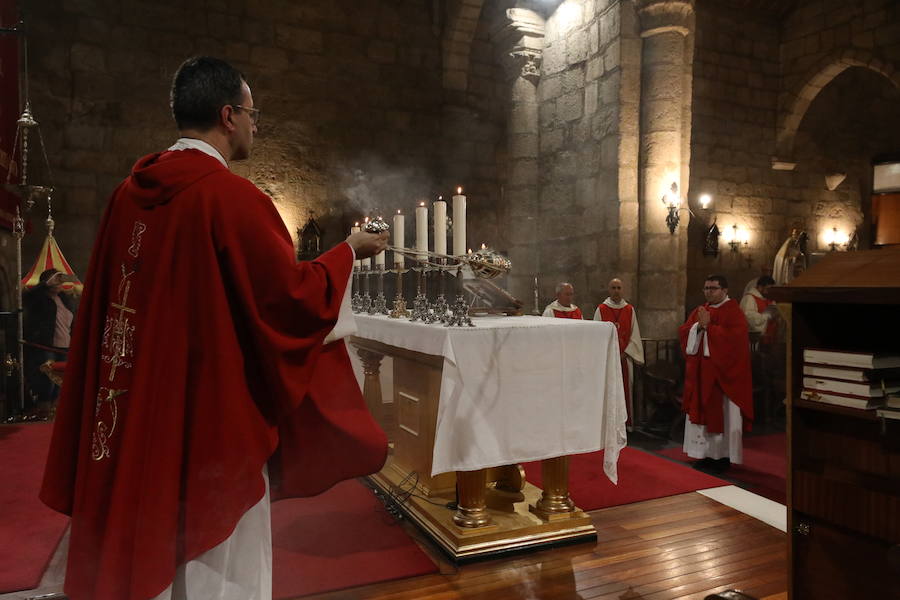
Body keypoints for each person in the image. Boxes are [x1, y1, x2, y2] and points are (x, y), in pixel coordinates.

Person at [40, 56, 389, 600]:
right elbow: (290, 301)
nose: (256, 124)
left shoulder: (126, 195)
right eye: (253, 113)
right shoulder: (233, 199)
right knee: (210, 563)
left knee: (139, 528)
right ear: (228, 115)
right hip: (205, 416)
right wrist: (349, 252)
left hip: (132, 408)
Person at [679, 274, 753, 473]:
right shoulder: (701, 310)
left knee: (723, 416)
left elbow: (735, 342)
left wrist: (708, 328)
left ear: (725, 290)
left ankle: (721, 457)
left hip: (723, 379)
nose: (708, 292)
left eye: (713, 288)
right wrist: (698, 327)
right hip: (702, 375)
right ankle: (704, 455)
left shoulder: (733, 312)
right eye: (706, 288)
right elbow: (685, 332)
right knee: (701, 414)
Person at [22, 269, 77, 418]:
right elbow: (26, 297)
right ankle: (43, 410)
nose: (59, 283)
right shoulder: (38, 299)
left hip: (65, 346)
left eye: (60, 280)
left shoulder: (65, 299)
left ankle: (53, 411)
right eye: (55, 280)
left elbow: (73, 322)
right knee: (47, 381)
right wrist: (44, 284)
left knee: (60, 381)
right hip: (46, 345)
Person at [593, 278, 644, 429]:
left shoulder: (629, 310)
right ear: (609, 290)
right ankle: (607, 425)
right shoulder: (601, 309)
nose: (616, 291)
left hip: (624, 359)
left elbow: (634, 334)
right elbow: (596, 335)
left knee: (625, 391)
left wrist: (625, 353)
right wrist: (609, 354)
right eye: (613, 288)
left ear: (622, 290)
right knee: (607, 391)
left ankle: (625, 425)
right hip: (607, 360)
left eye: (619, 288)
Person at [740, 274, 778, 344]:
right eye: (768, 289)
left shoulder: (768, 298)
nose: (770, 292)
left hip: (770, 337)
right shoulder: (749, 298)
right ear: (760, 287)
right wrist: (767, 316)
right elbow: (748, 317)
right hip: (754, 341)